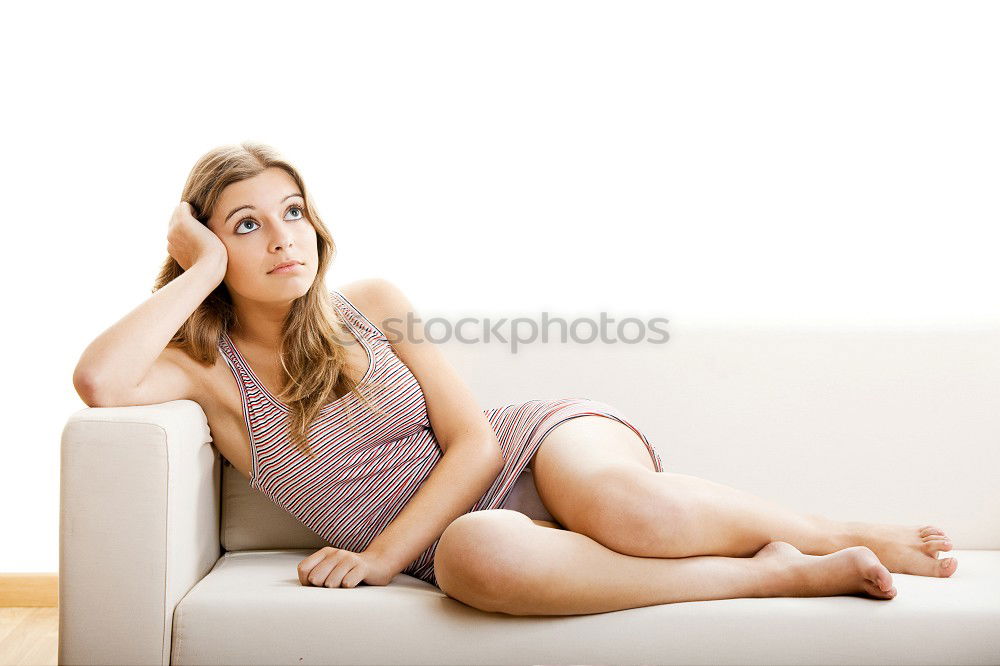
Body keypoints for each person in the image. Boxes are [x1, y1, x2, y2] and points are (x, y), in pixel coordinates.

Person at [72, 142, 956, 617]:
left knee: (629, 511)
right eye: (249, 225)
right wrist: (194, 271)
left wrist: (378, 558)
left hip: (534, 448)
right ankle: (775, 577)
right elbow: (100, 383)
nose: (283, 239)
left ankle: (833, 531)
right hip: (461, 538)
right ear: (214, 245)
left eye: (293, 212)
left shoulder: (374, 302)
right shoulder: (209, 374)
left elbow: (477, 442)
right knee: (475, 555)